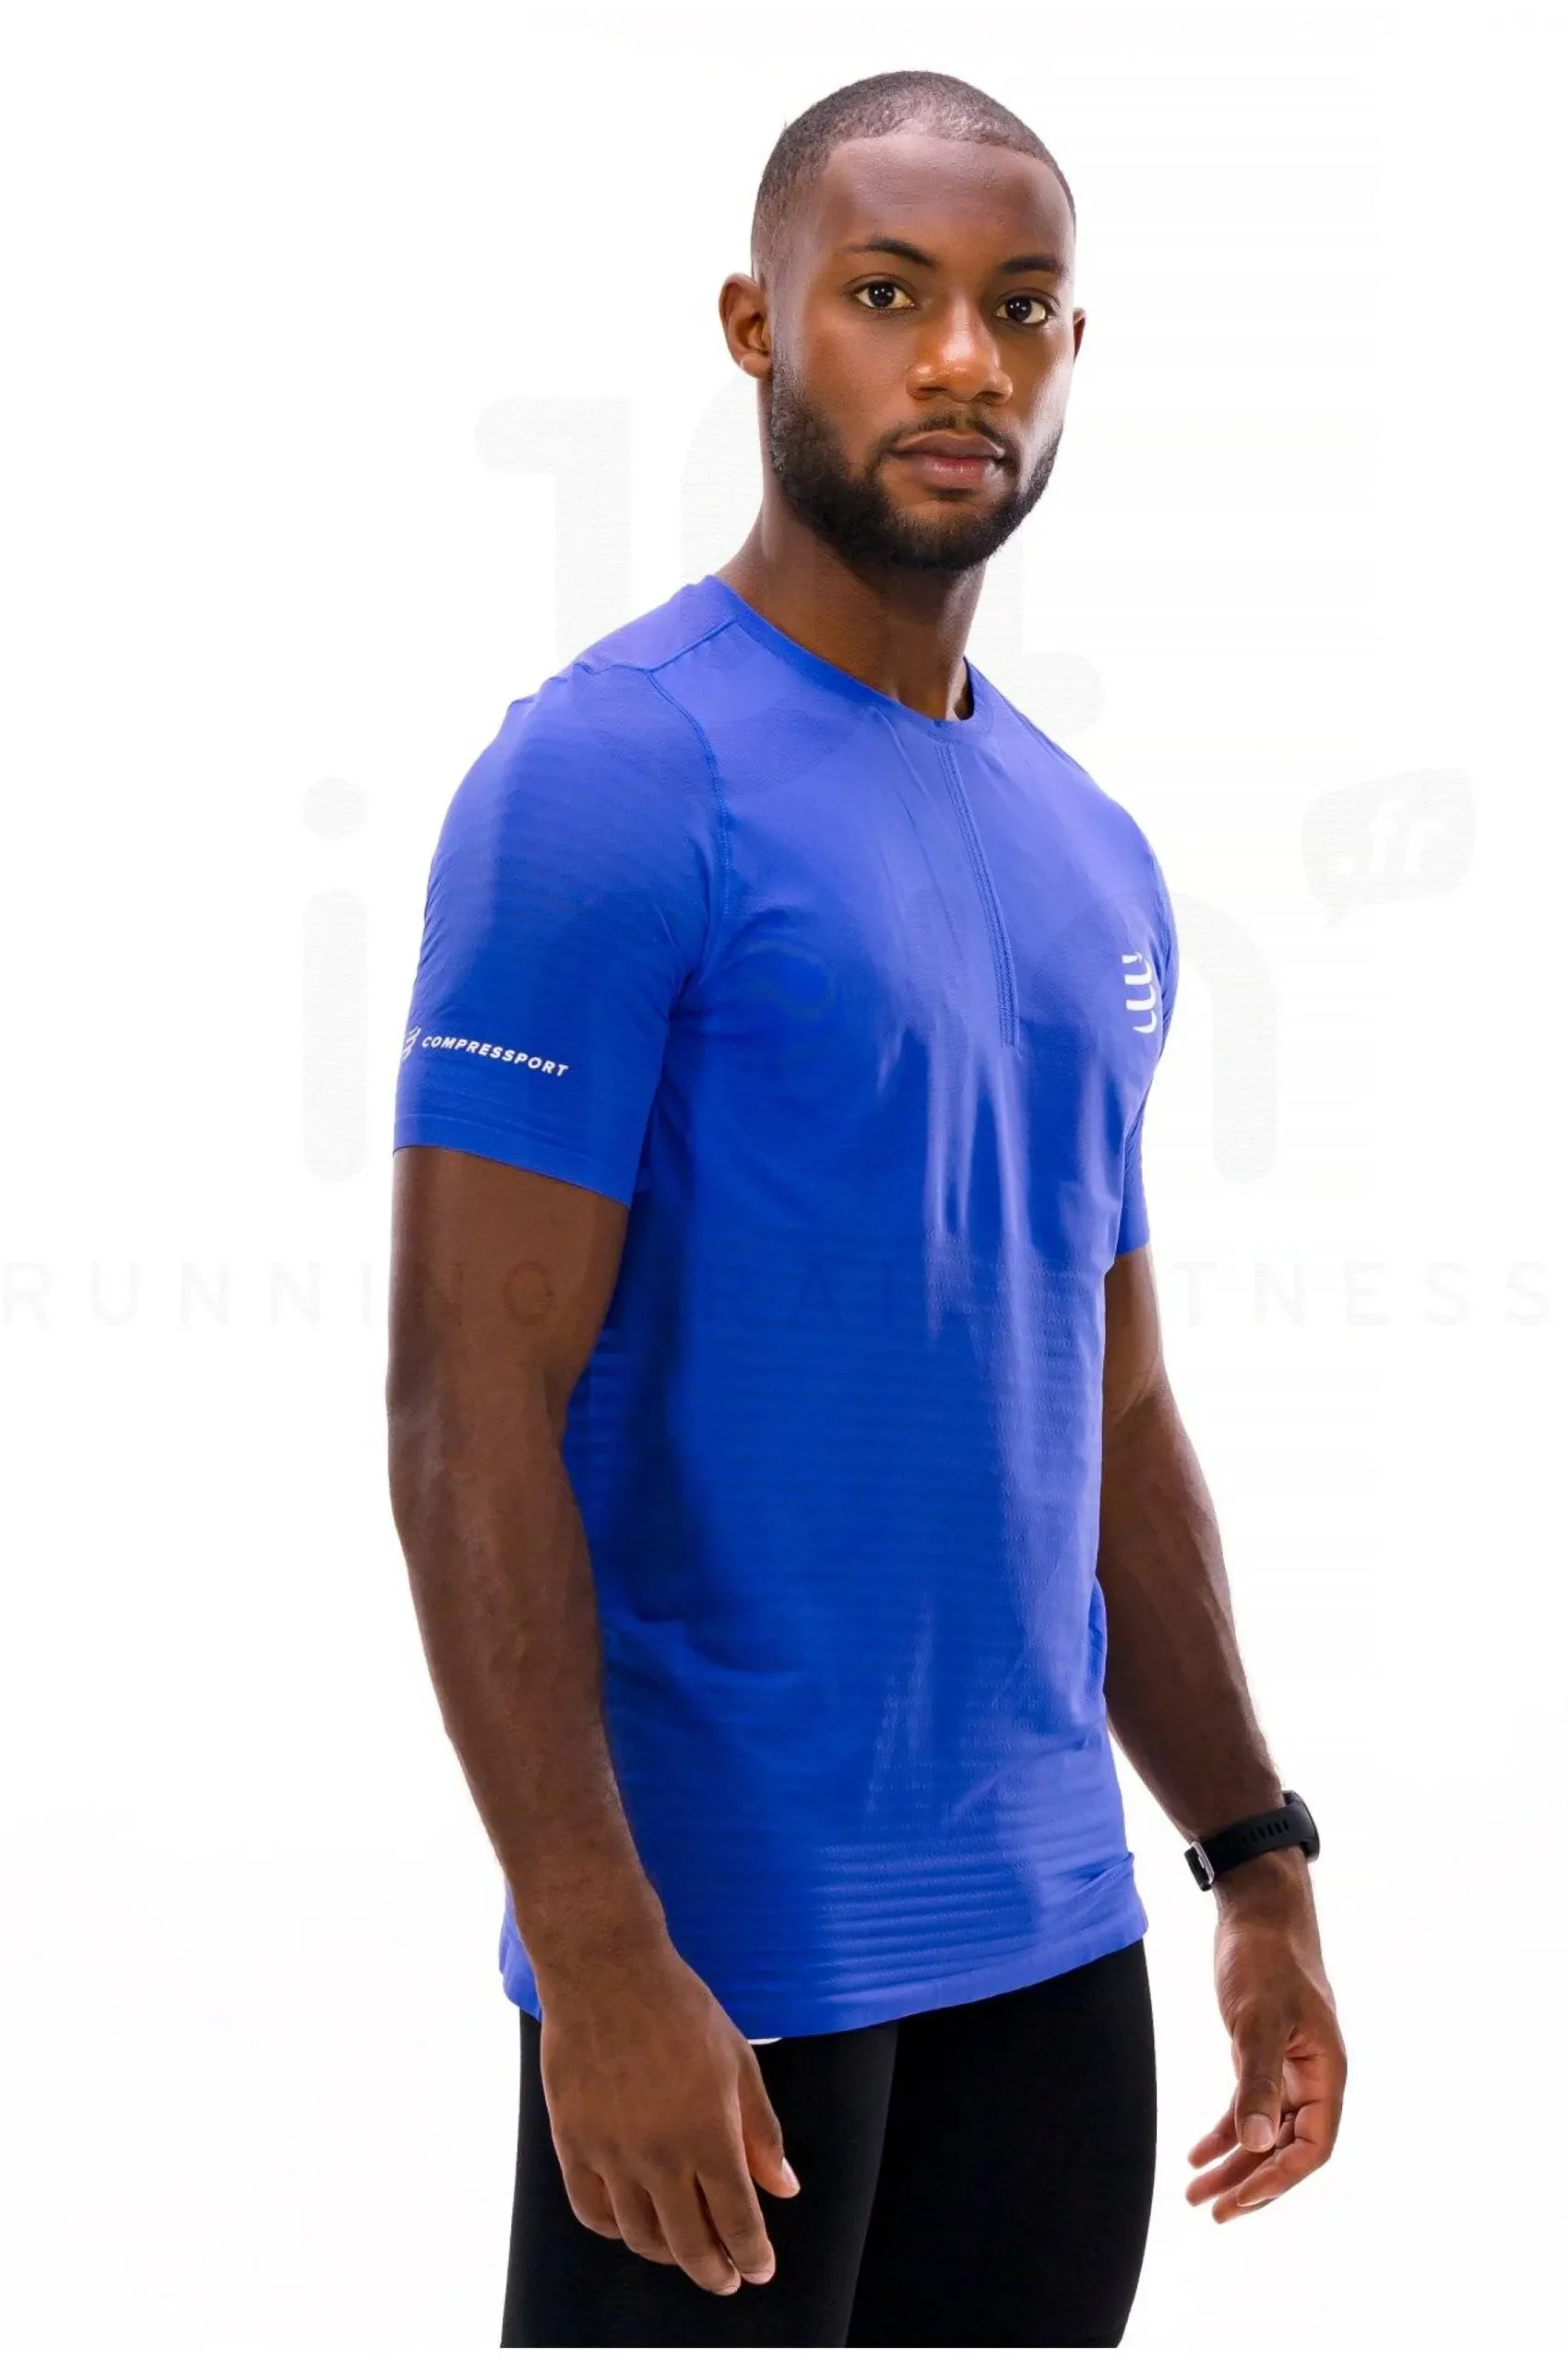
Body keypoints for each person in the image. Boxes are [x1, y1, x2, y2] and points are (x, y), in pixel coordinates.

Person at [386, 67, 1348, 2350]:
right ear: (757, 323)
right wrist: (597, 1953)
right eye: (888, 295)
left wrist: (1252, 1849)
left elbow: (1108, 1405)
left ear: (1069, 351)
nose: (960, 362)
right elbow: (462, 1405)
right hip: (715, 1956)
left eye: (1017, 308)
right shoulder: (608, 774)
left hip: (1051, 1949)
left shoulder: (1088, 848)